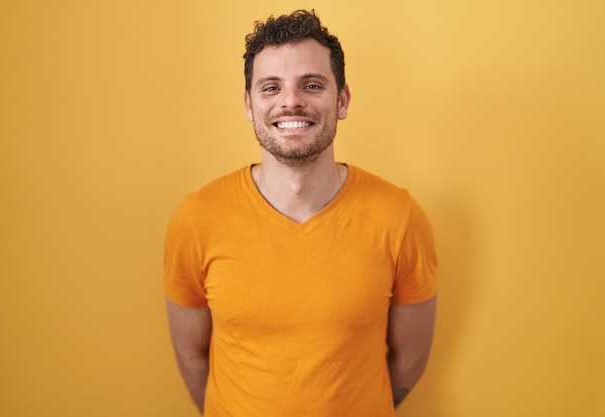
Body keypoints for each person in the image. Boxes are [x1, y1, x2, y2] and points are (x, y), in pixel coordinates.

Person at [164, 9, 438, 417]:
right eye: (271, 88)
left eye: (312, 85)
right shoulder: (196, 218)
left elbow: (408, 361)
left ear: (341, 100)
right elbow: (192, 354)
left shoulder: (399, 217)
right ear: (249, 104)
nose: (291, 101)